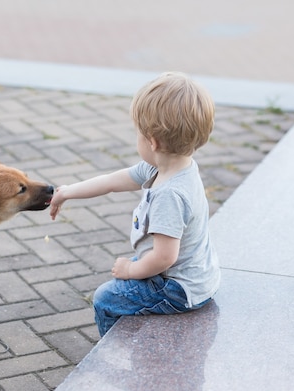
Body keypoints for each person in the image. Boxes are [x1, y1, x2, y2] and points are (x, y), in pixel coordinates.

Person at [49, 72, 220, 337]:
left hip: (179, 288)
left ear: (152, 141)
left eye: (138, 134)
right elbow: (112, 181)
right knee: (128, 272)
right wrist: (67, 192)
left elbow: (164, 257)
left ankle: (120, 355)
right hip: (194, 274)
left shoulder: (169, 194)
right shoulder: (167, 167)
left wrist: (132, 270)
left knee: (106, 298)